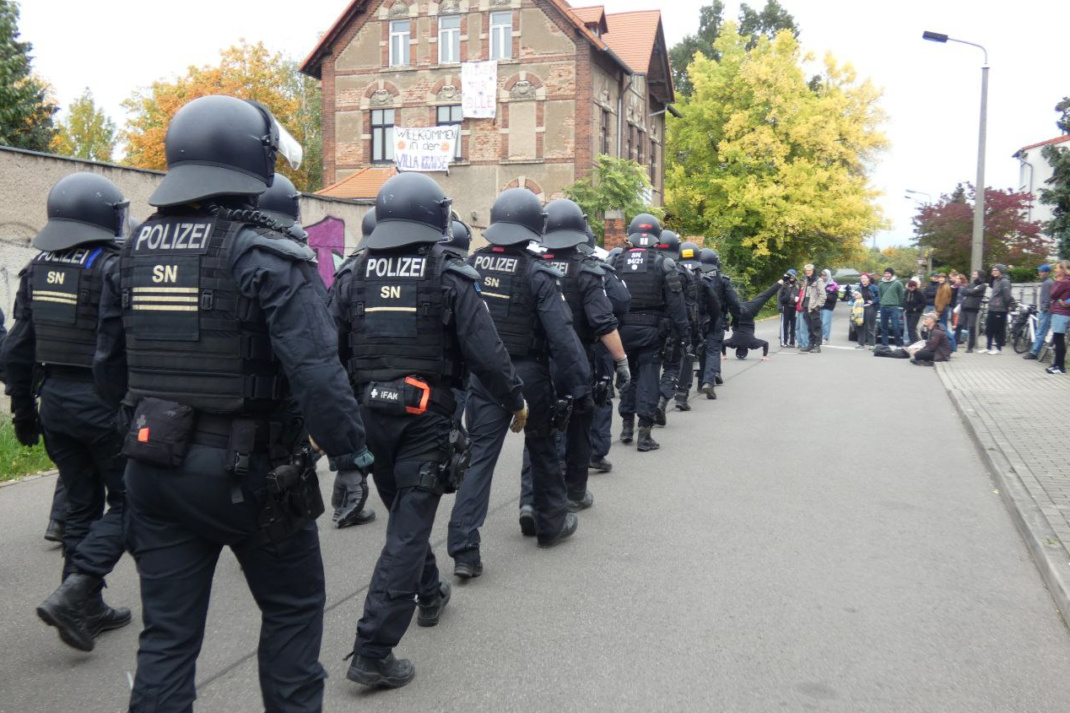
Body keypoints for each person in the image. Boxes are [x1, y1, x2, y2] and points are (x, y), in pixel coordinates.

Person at [93, 95, 373, 711]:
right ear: (256, 161)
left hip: (152, 467)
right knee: (294, 612)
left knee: (166, 638)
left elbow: (107, 366)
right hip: (254, 477)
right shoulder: (268, 252)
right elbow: (318, 373)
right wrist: (352, 456)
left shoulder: (133, 252)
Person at [0, 172, 132, 654]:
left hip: (53, 402)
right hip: (103, 405)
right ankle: (76, 590)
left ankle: (87, 607)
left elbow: (17, 347)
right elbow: (124, 344)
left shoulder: (38, 267)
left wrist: (22, 411)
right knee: (131, 502)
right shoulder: (115, 266)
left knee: (81, 506)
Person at [452, 187, 586, 572]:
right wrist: (580, 386)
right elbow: (562, 336)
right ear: (533, 227)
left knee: (479, 459)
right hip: (529, 374)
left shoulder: (473, 264)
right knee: (543, 449)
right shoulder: (537, 271)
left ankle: (464, 549)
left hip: (485, 376)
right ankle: (551, 525)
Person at [260, 175, 378, 531]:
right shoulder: (285, 263)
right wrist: (349, 458)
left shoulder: (348, 272)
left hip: (163, 439)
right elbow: (316, 365)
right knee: (292, 573)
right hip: (279, 416)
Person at [529, 199, 629, 517]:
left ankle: (533, 499)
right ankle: (574, 492)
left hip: (537, 361)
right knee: (578, 425)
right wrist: (621, 362)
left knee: (543, 429)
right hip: (576, 360)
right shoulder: (586, 268)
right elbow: (604, 321)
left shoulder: (532, 264)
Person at [614, 214, 690, 451]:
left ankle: (627, 426)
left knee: (628, 375)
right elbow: (676, 305)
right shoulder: (664, 263)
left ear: (631, 234)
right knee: (648, 378)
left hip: (622, 330)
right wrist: (683, 334)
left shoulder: (615, 260)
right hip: (652, 330)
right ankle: (644, 434)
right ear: (656, 236)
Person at [590, 242, 631, 472]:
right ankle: (596, 452)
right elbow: (623, 301)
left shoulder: (541, 264)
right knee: (600, 396)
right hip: (595, 346)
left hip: (554, 349)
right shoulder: (597, 271)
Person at [653, 230, 687, 426]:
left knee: (649, 367)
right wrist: (686, 332)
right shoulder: (681, 272)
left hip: (650, 326)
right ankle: (662, 400)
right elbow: (685, 304)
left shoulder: (648, 267)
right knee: (672, 366)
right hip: (672, 327)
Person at [696, 248, 738, 398]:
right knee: (713, 351)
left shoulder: (695, 276)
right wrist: (737, 317)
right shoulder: (722, 279)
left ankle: (701, 382)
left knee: (702, 349)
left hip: (699, 320)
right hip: (716, 319)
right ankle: (708, 382)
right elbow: (733, 302)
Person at [723, 280, 783, 359]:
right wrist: (724, 355)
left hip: (750, 311)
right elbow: (722, 343)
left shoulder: (751, 344)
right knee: (727, 300)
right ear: (736, 349)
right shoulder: (733, 343)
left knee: (765, 296)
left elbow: (765, 344)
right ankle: (726, 285)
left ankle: (782, 281)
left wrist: (764, 356)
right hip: (737, 312)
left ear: (747, 351)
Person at [675, 241, 703, 410]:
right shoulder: (699, 278)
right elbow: (693, 305)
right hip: (687, 321)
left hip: (668, 322)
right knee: (687, 355)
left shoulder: (669, 271)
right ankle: (681, 396)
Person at [1025, 264, 1054, 361]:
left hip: (1046, 311)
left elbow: (1047, 297)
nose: (1039, 273)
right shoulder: (1048, 282)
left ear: (1047, 273)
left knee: (1041, 332)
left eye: (1042, 271)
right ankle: (1034, 351)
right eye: (1039, 271)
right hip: (1045, 310)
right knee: (1040, 331)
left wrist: (1044, 308)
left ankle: (1034, 352)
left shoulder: (1047, 283)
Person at [984, 264, 1013, 354]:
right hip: (992, 307)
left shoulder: (1004, 282)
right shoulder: (995, 280)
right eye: (993, 270)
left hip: (1000, 309)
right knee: (989, 328)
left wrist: (1007, 306)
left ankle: (998, 348)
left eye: (996, 270)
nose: (993, 272)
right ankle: (988, 347)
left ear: (1001, 271)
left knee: (998, 329)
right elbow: (991, 286)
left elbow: (1007, 296)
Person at [1047, 260, 1070, 375]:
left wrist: (1056, 281)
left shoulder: (1064, 282)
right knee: (1058, 339)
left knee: (1058, 339)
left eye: (1057, 268)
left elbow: (1053, 294)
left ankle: (1060, 367)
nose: (1055, 270)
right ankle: (1057, 365)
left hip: (1060, 313)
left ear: (1063, 270)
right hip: (1063, 313)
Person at [957, 270, 986, 353]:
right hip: (964, 307)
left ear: (979, 275)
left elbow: (974, 291)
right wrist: (970, 291)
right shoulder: (971, 284)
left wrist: (970, 291)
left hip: (973, 309)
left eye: (975, 274)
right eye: (973, 274)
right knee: (959, 325)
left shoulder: (982, 285)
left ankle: (970, 347)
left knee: (971, 327)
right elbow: (963, 291)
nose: (973, 275)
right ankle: (954, 343)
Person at [799, 264, 826, 353]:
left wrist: (817, 306)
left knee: (816, 327)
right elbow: (804, 292)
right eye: (806, 271)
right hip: (806, 306)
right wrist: (802, 304)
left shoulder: (818, 281)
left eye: (809, 270)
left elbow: (823, 295)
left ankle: (817, 346)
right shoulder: (806, 280)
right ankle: (811, 345)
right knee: (809, 328)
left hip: (814, 307)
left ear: (813, 271)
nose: (808, 272)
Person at [878, 267, 905, 348]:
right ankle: (885, 345)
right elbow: (880, 295)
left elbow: (901, 295)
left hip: (894, 307)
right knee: (884, 327)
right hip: (883, 307)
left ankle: (898, 345)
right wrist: (882, 302)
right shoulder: (881, 284)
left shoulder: (898, 283)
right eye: (885, 273)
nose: (886, 275)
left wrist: (896, 303)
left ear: (892, 274)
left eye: (888, 273)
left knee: (896, 327)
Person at [854, 273, 879, 349]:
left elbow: (879, 296)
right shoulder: (858, 288)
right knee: (860, 325)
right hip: (860, 308)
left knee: (870, 326)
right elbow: (853, 298)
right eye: (862, 279)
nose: (863, 280)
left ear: (868, 279)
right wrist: (856, 297)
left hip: (870, 308)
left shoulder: (874, 287)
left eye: (865, 278)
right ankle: (861, 344)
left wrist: (873, 301)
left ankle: (872, 344)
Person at [933, 273, 956, 352]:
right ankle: (947, 345)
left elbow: (943, 301)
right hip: (941, 308)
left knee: (943, 328)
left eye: (942, 278)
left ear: (945, 279)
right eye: (939, 278)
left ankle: (951, 345)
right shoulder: (941, 286)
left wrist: (938, 311)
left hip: (942, 309)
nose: (940, 279)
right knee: (942, 327)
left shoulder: (945, 287)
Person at [778, 269, 797, 347]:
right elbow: (779, 296)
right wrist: (780, 307)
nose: (791, 277)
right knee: (784, 325)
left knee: (793, 325)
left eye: (793, 275)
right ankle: (784, 341)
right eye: (790, 275)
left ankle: (792, 342)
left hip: (794, 307)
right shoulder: (784, 284)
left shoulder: (797, 285)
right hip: (785, 307)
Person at [904, 279, 926, 344]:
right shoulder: (907, 292)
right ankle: (912, 342)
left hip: (916, 312)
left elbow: (924, 302)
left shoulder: (919, 293)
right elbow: (904, 300)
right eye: (910, 287)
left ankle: (915, 342)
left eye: (913, 287)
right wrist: (905, 307)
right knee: (909, 328)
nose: (911, 289)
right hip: (908, 312)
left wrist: (916, 308)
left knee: (912, 327)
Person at [820, 268, 838, 343]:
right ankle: (820, 337)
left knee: (825, 322)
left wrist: (826, 295)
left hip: (828, 307)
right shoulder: (820, 283)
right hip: (820, 306)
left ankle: (825, 338)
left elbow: (834, 297)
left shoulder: (833, 285)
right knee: (820, 323)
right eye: (822, 275)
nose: (823, 277)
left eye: (825, 275)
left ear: (828, 276)